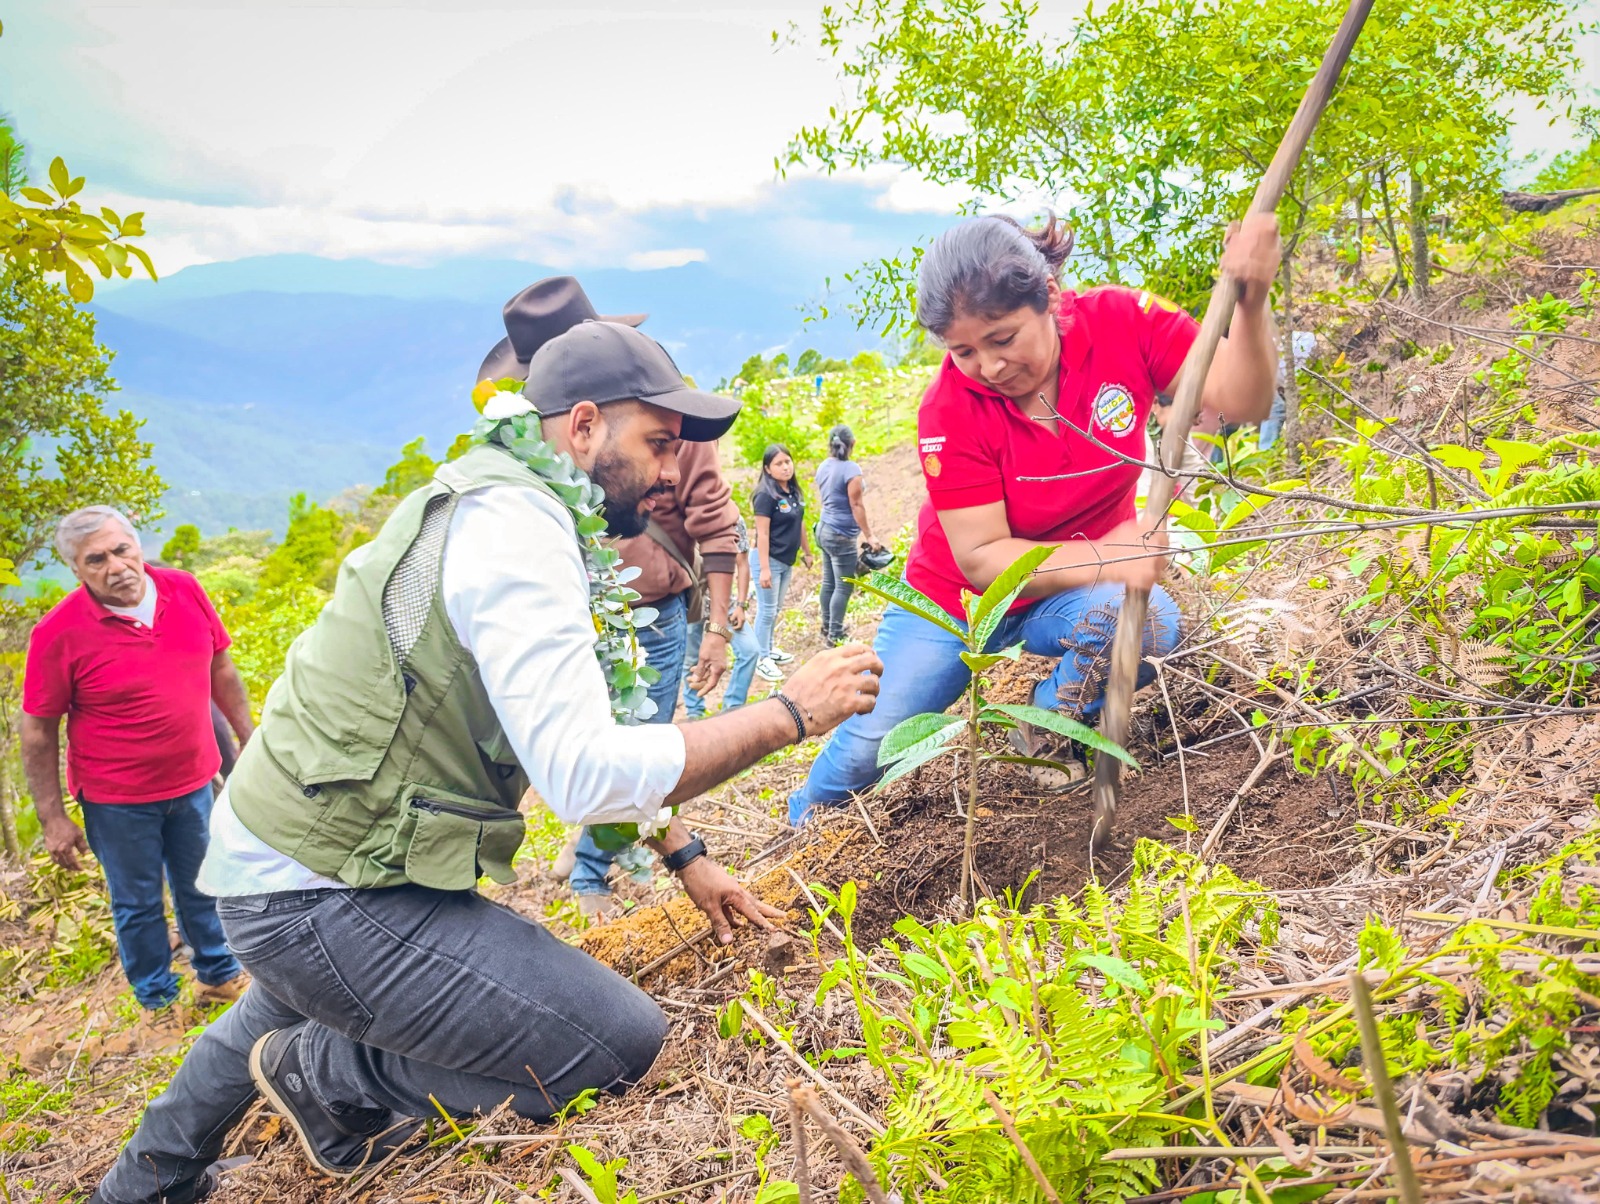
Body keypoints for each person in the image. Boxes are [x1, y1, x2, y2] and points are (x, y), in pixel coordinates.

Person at [88, 319, 882, 1204]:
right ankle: (325, 1078)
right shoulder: (517, 532)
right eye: (657, 442)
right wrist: (787, 714)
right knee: (615, 1044)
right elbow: (581, 772)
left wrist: (685, 856)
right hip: (321, 887)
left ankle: (139, 1186)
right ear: (582, 427)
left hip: (285, 859)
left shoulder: (498, 498)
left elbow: (589, 719)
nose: (669, 472)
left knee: (286, 995)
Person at [787, 212, 1280, 827]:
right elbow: (983, 558)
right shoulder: (949, 407)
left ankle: (1042, 723)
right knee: (873, 748)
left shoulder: (1125, 324)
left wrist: (1253, 300)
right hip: (959, 603)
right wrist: (1111, 556)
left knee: (1147, 625)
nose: (989, 367)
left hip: (1070, 589)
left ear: (1049, 295)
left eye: (1002, 338)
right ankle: (803, 825)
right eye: (963, 351)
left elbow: (1246, 401)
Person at [21, 507, 253, 1011]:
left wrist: (247, 735)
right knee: (138, 904)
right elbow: (38, 730)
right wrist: (53, 818)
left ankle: (216, 974)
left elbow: (222, 669)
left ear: (137, 546)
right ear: (78, 571)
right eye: (96, 559)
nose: (115, 566)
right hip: (116, 800)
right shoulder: (58, 633)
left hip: (194, 780)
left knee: (203, 884)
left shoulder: (183, 589)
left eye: (121, 550)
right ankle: (156, 999)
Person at [565, 433, 741, 916]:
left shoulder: (686, 431)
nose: (668, 467)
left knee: (641, 740)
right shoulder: (582, 421)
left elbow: (714, 521)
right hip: (579, 614)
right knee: (594, 736)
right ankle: (591, 849)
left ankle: (589, 863)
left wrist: (718, 631)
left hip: (653, 614)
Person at [682, 516, 762, 719]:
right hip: (693, 602)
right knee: (692, 659)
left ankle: (732, 708)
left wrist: (742, 605)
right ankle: (695, 712)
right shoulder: (684, 516)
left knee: (750, 650)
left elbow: (743, 564)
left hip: (724, 602)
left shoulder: (734, 519)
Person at [813, 424, 884, 646]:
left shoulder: (824, 466)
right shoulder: (852, 470)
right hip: (840, 534)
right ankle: (835, 634)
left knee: (829, 582)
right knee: (844, 585)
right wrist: (869, 536)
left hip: (823, 529)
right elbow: (856, 505)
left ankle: (826, 627)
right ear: (852, 443)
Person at [750, 444, 811, 681]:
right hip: (769, 560)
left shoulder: (793, 492)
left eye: (788, 461)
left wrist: (807, 551)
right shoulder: (765, 496)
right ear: (767, 468)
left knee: (775, 609)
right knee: (766, 611)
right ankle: (761, 658)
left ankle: (769, 648)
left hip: (787, 561)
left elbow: (801, 523)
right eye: (779, 463)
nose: (785, 467)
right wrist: (764, 569)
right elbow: (762, 534)